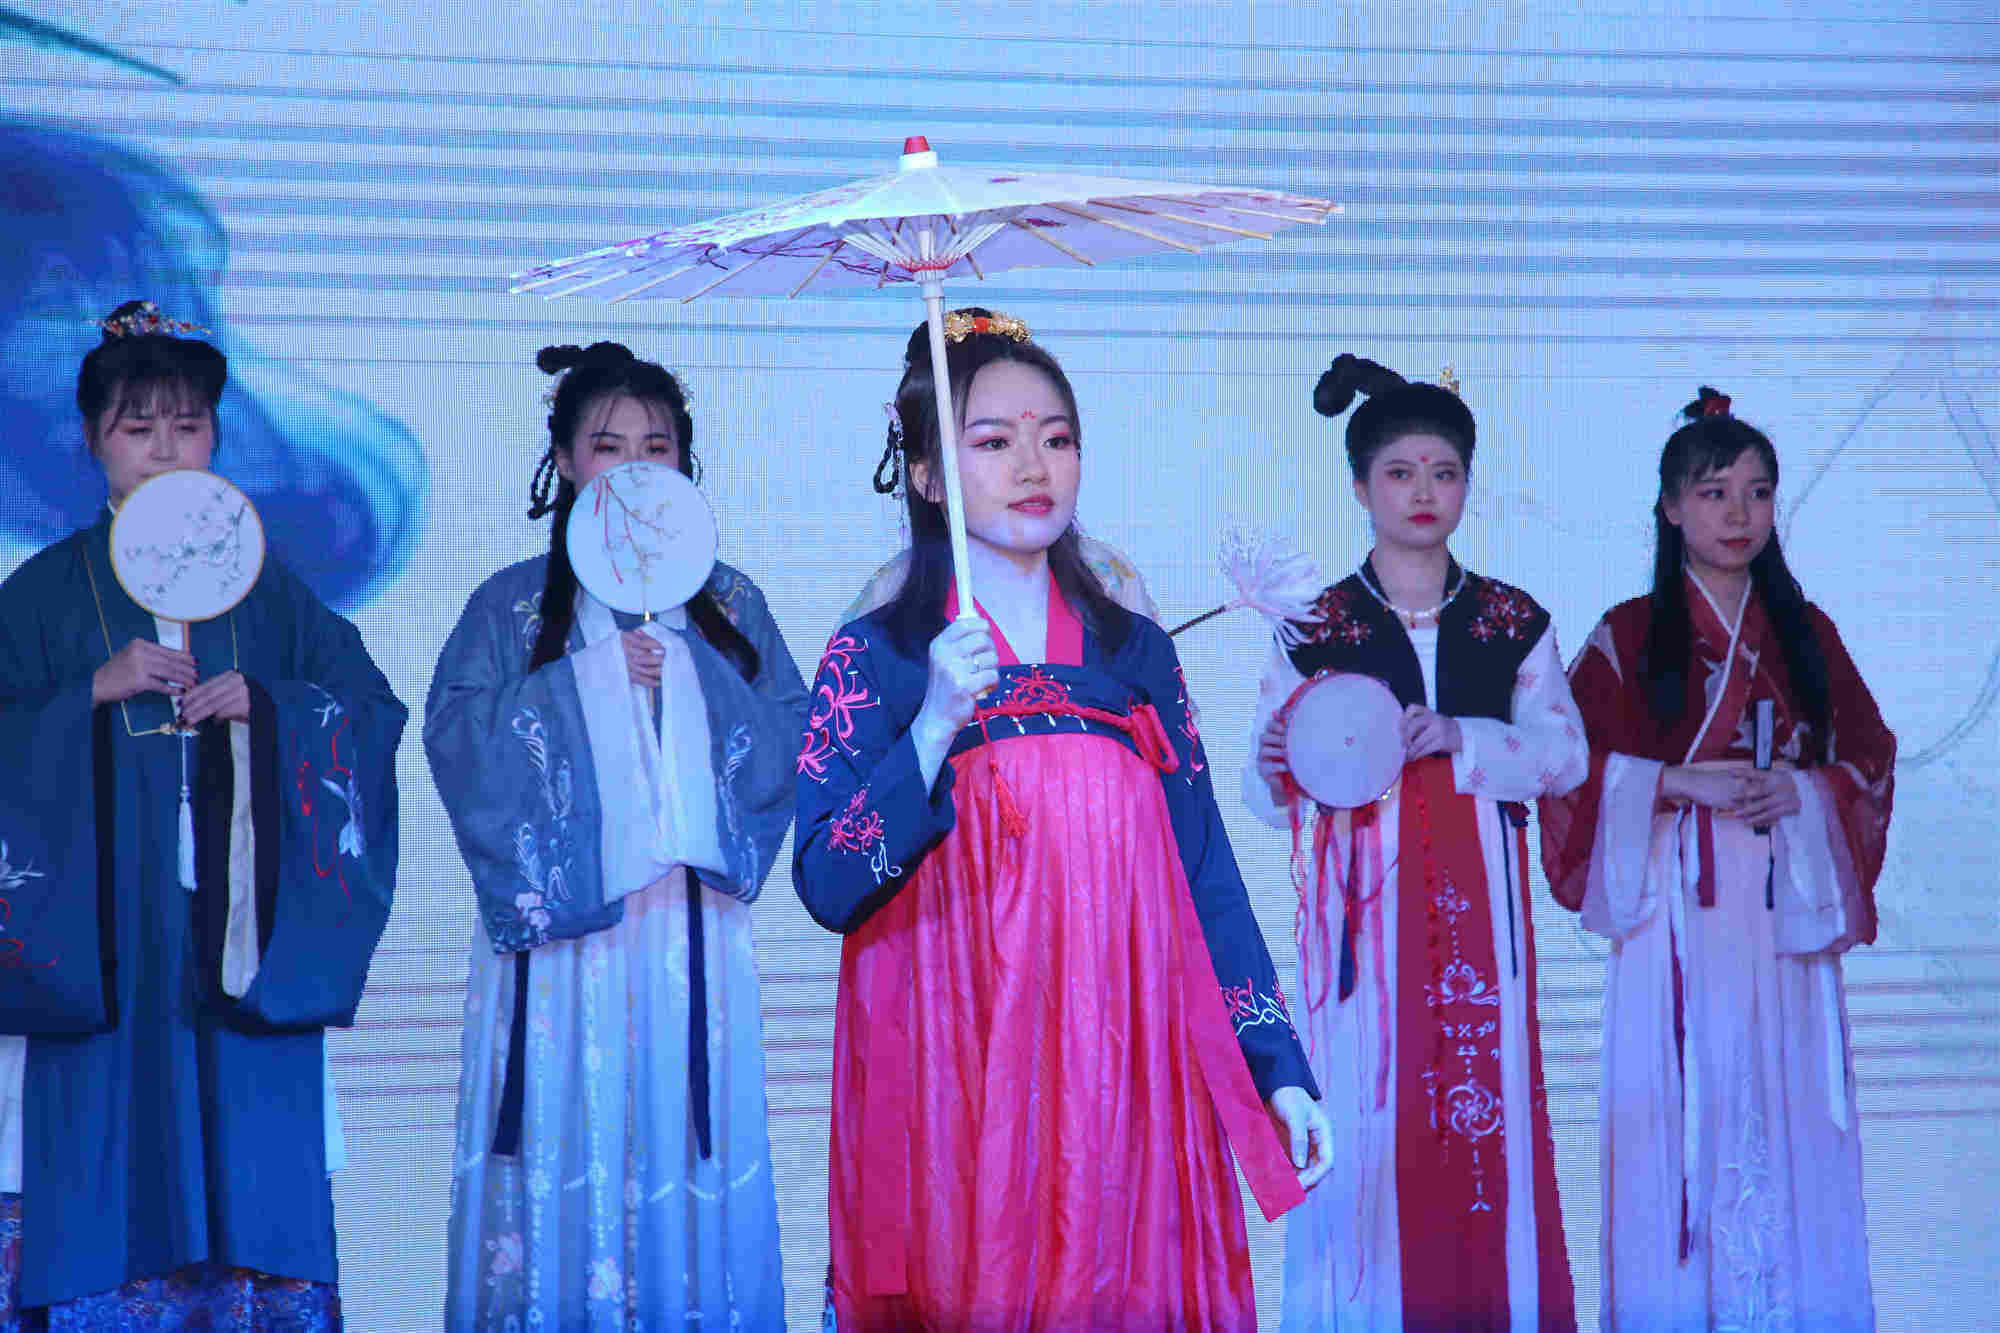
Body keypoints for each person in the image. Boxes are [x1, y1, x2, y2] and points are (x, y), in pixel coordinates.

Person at [794, 308, 1330, 1332]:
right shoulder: (880, 654)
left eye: (1056, 436)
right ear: (927, 475)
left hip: (1122, 1066)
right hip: (959, 1079)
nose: (1033, 465)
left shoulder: (1135, 652)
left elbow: (1203, 871)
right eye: (993, 441)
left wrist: (1277, 1068)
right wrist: (931, 726)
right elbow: (825, 878)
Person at [0, 300, 404, 1326]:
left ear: (217, 437)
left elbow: (368, 709)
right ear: (92, 440)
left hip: (240, 933)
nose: (165, 448)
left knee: (251, 1161)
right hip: (103, 938)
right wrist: (86, 693)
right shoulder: (43, 592)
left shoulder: (269, 590)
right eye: (138, 427)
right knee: (100, 1155)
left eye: (188, 425)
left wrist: (271, 711)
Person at [427, 342, 805, 1332]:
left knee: (681, 1136)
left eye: (656, 446)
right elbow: (459, 740)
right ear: (562, 461)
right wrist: (589, 682)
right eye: (607, 445)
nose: (633, 466)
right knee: (564, 1126)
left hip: (686, 931)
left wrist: (688, 671)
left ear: (686, 462)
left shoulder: (729, 605)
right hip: (562, 944)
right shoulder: (510, 605)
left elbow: (787, 737)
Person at [1539, 388, 1895, 1332]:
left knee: (1789, 1110)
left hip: (1783, 902)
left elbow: (1870, 753)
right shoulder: (1627, 633)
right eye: (1713, 492)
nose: (1739, 514)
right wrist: (1670, 781)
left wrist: (1809, 791)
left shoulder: (1806, 631)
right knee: (1679, 1113)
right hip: (1674, 907)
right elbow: (1566, 763)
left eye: (1758, 492)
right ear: (1669, 508)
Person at [1247, 354, 1586, 1331]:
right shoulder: (1312, 622)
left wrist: (1461, 737)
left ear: (1468, 483)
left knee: (1485, 1120)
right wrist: (1277, 759)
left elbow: (1564, 753)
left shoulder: (1510, 619)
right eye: (1399, 472)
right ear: (1360, 488)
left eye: (1443, 471)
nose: (1422, 491)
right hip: (1362, 920)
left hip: (1480, 906)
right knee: (1366, 1114)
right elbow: (1264, 792)